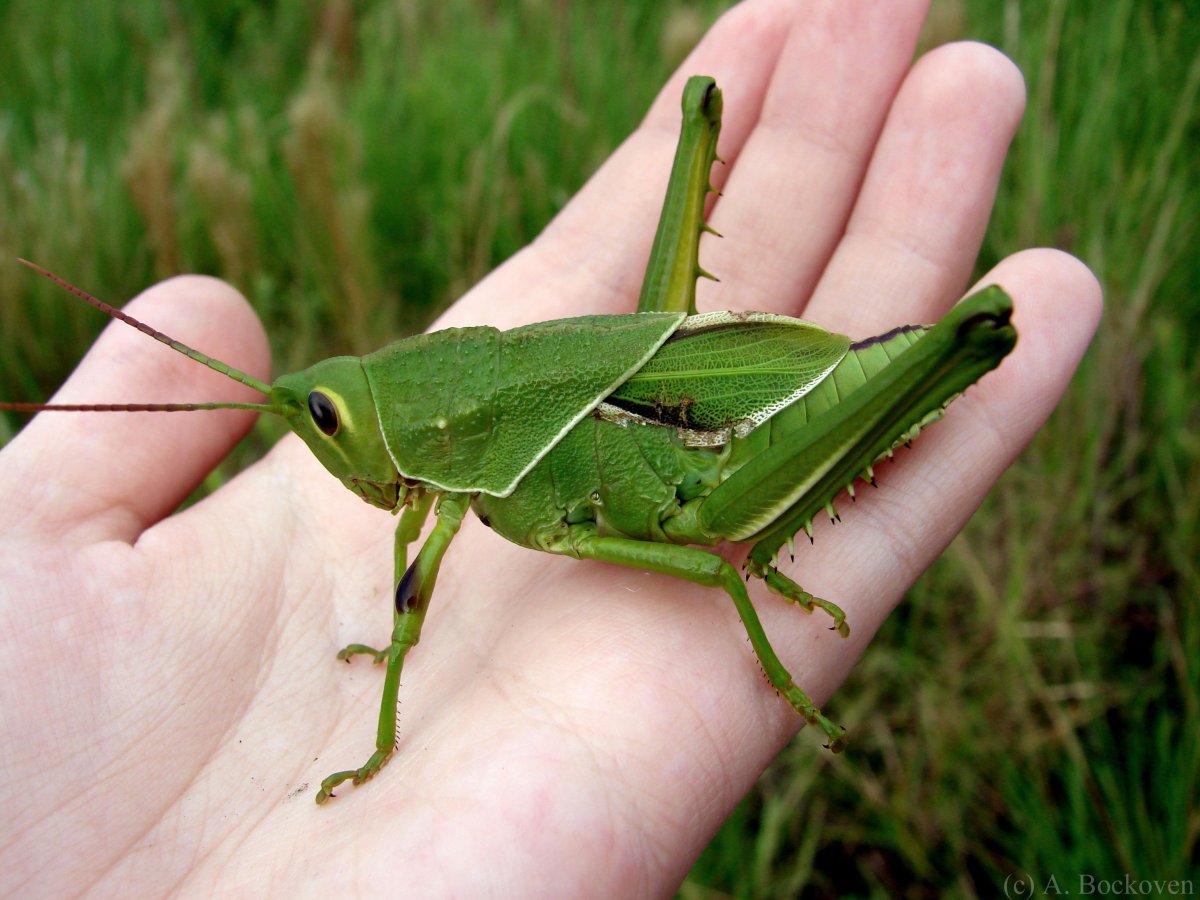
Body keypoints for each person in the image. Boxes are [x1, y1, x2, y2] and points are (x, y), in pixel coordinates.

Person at [0, 0, 1100, 894]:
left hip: (725, 447)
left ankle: (954, 348)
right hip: (643, 397)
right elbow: (414, 565)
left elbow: (711, 567)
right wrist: (390, 648)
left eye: (329, 420)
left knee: (718, 536)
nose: (334, 444)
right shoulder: (440, 481)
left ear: (409, 417)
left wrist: (777, 635)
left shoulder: (455, 476)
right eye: (325, 418)